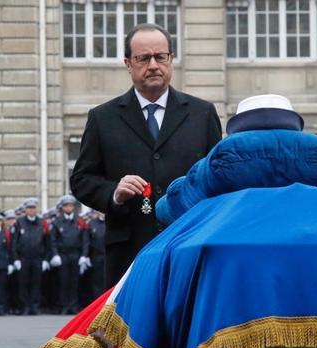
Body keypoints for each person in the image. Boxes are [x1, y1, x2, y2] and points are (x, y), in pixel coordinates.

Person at [70, 23, 222, 289]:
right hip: (129, 249)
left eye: (160, 57)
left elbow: (218, 179)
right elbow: (82, 179)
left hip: (189, 243)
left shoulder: (202, 114)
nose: (153, 65)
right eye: (143, 58)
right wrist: (114, 192)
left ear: (171, 59)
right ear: (128, 63)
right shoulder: (103, 118)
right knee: (131, 329)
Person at [50, 195, 90, 315]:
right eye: (66, 205)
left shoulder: (80, 221)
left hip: (76, 254)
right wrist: (55, 254)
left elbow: (85, 240)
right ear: (62, 208)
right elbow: (53, 240)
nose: (69, 208)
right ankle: (64, 306)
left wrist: (84, 255)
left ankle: (73, 305)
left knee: (74, 282)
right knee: (63, 282)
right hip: (63, 255)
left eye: (71, 205)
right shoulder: (57, 221)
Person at [12, 198, 52, 315]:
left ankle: (34, 306)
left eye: (33, 208)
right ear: (25, 210)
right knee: (23, 283)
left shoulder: (42, 222)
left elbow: (47, 242)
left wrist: (46, 259)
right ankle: (24, 306)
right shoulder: (19, 222)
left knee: (36, 283)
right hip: (23, 258)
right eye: (29, 208)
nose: (31, 210)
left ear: (36, 209)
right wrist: (16, 259)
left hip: (38, 258)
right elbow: (14, 242)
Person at [87, 210, 106, 300]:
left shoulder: (113, 221)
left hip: (109, 256)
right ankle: (98, 302)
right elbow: (87, 241)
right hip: (96, 256)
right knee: (97, 282)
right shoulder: (92, 223)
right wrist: (85, 256)